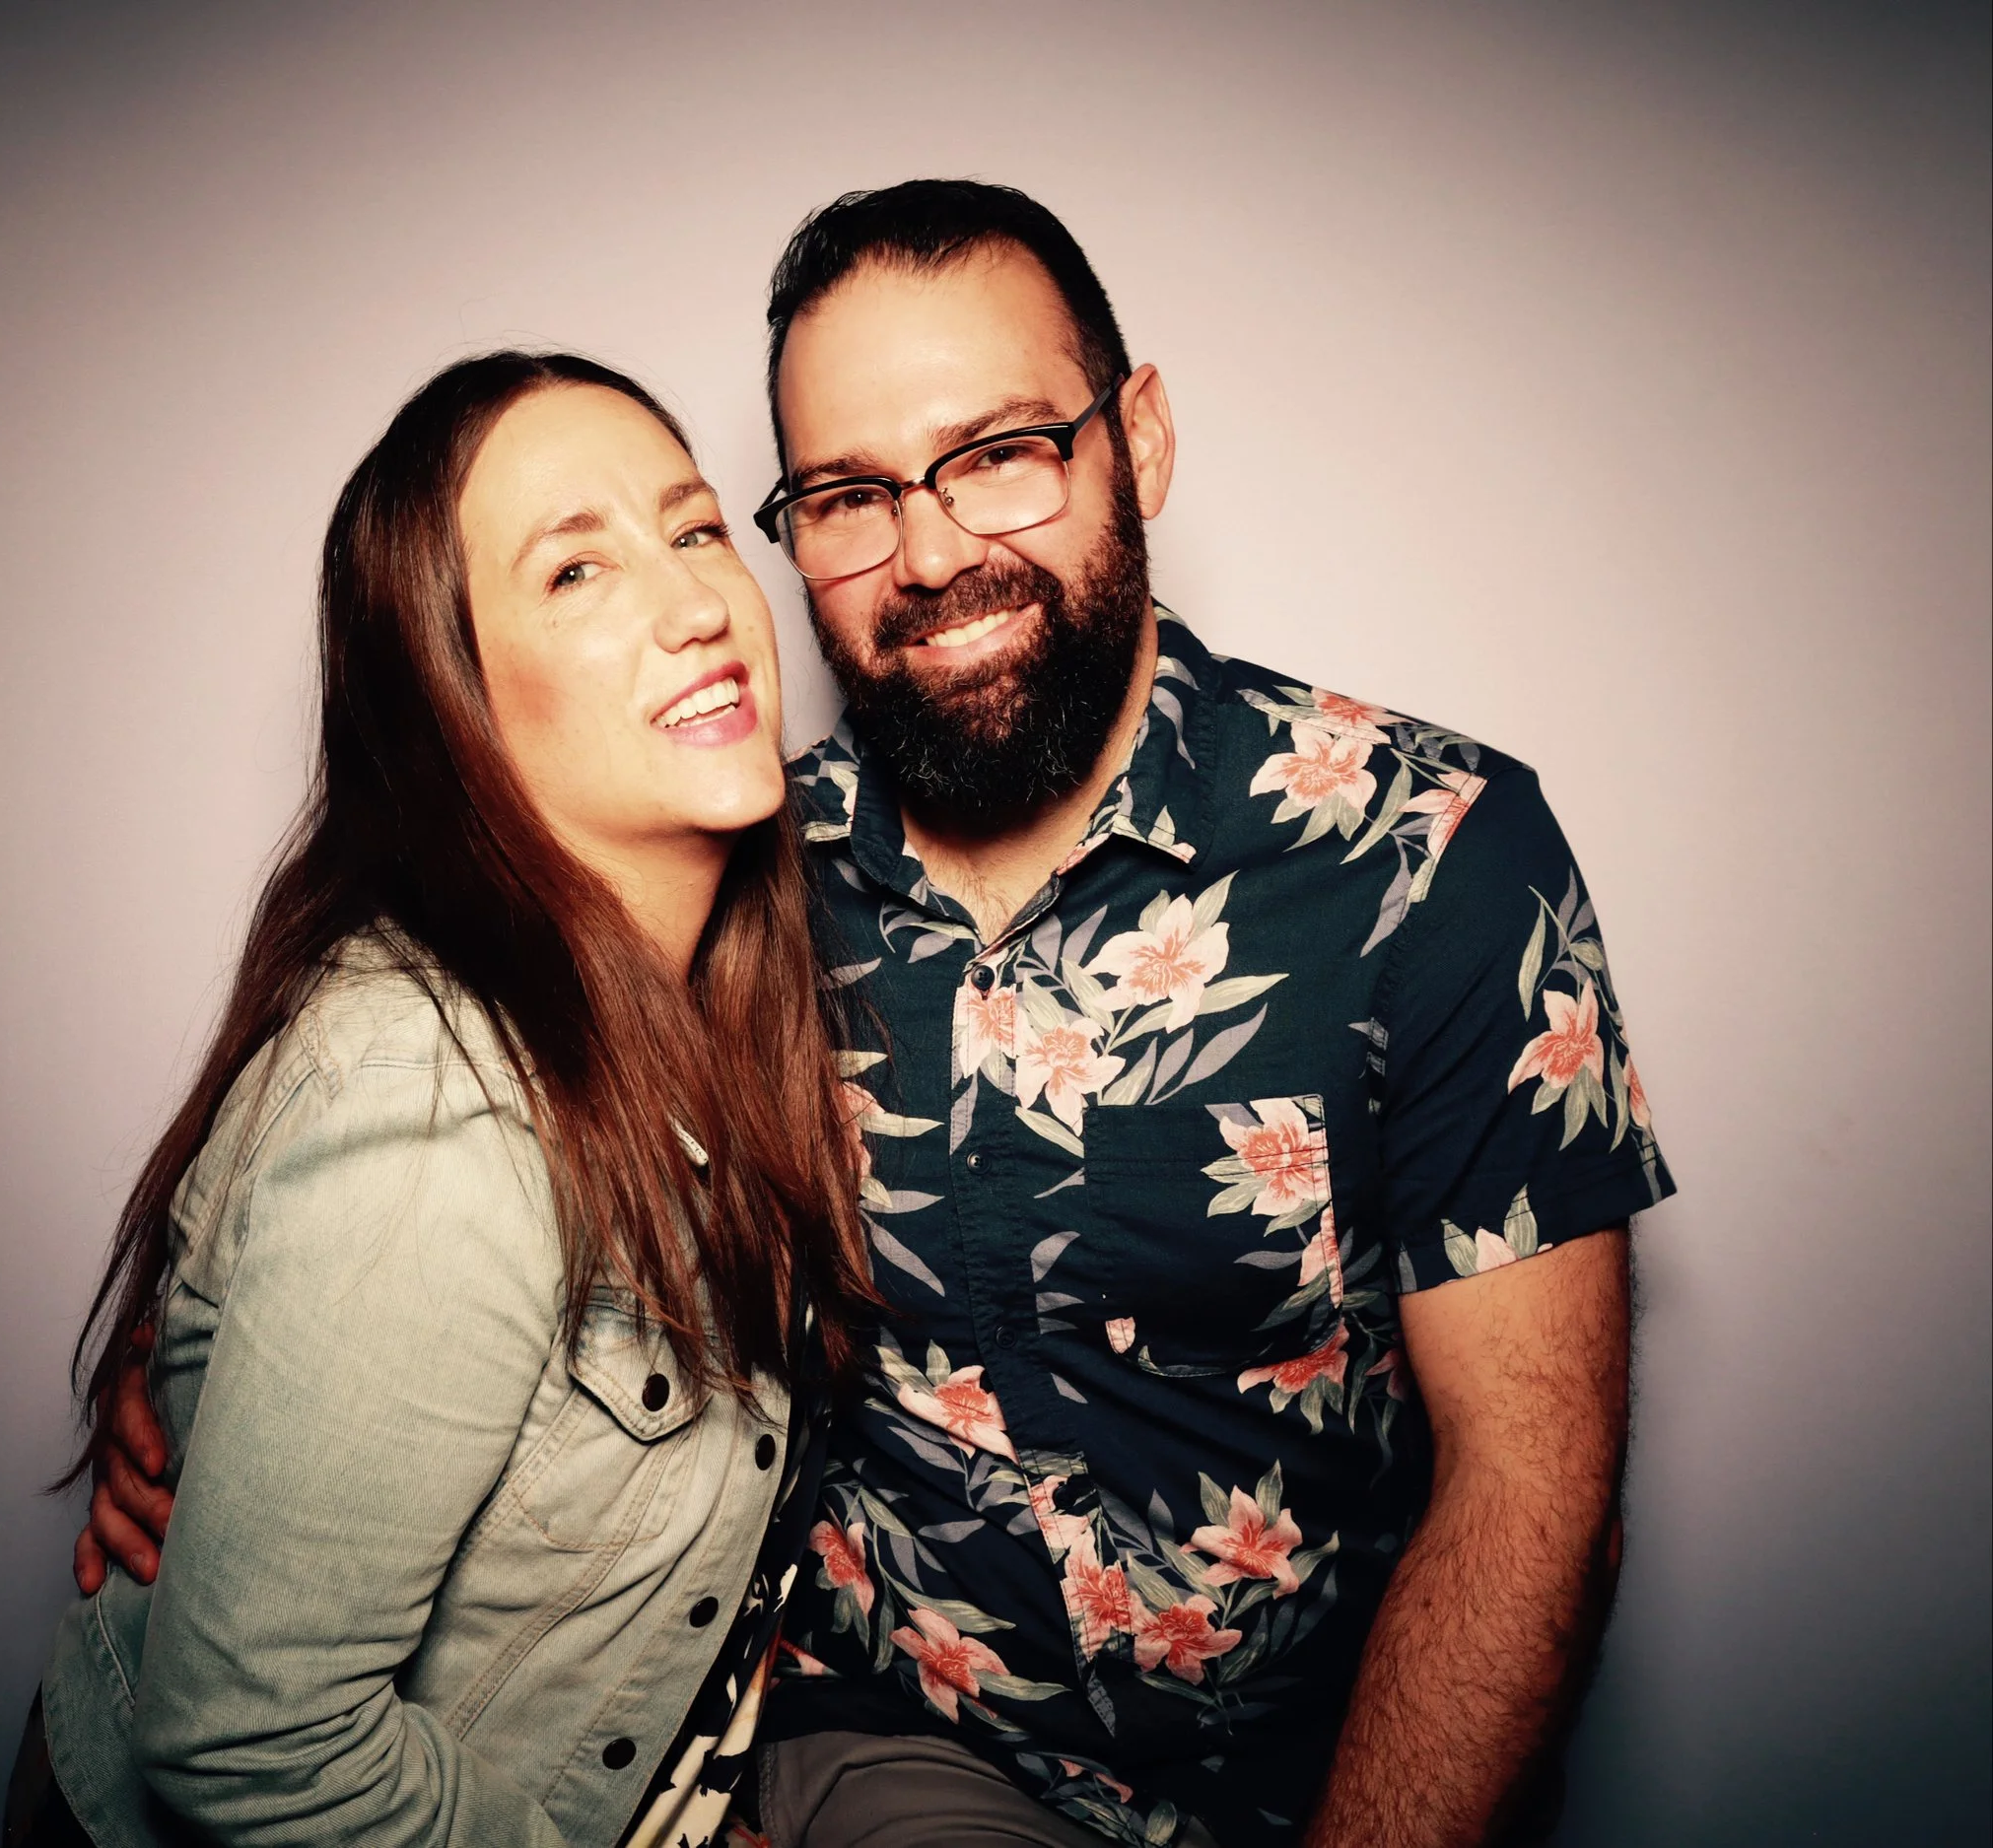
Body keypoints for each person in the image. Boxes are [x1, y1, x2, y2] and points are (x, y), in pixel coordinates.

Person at [86, 181, 1676, 1848]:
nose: (928, 554)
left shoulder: (1430, 857)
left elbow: (1534, 1493)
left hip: (1327, 1780)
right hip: (893, 1756)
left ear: (1137, 439)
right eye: (847, 495)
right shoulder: (741, 874)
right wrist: (196, 1366)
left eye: (999, 452)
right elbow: (427, 1112)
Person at [12, 349, 878, 1848]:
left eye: (692, 529)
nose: (694, 604)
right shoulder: (436, 1114)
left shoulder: (733, 990)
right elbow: (252, 1749)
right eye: (577, 571)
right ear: (453, 695)